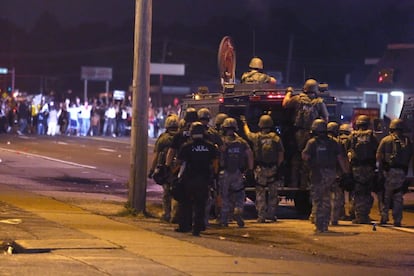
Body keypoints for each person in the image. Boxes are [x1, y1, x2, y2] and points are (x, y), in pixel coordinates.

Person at [302, 119, 350, 233]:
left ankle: (319, 225)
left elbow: (305, 156)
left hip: (316, 173)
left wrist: (309, 165)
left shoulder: (312, 142)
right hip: (330, 173)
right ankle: (325, 224)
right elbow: (340, 159)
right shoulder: (334, 142)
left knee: (318, 200)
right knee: (327, 199)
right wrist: (346, 173)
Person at [282, 78, 329, 191]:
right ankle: (305, 185)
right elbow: (326, 118)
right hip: (312, 135)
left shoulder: (298, 99)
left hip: (298, 134)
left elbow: (285, 104)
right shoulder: (319, 102)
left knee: (296, 159)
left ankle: (293, 184)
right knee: (309, 160)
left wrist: (289, 92)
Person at [176, 122, 220, 236]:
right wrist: (214, 176)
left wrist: (173, 174)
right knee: (200, 204)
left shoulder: (186, 146)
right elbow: (215, 163)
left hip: (188, 179)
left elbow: (179, 163)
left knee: (186, 203)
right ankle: (198, 228)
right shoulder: (210, 146)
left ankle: (185, 226)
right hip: (204, 179)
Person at [242, 114, 284, 223]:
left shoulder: (256, 137)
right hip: (273, 168)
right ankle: (271, 214)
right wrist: (278, 167)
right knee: (273, 193)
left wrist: (244, 123)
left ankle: (261, 216)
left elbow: (247, 134)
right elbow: (281, 154)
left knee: (260, 192)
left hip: (260, 168)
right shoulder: (276, 138)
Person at [376, 119, 413, 227]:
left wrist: (380, 170)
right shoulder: (407, 141)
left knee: (385, 195)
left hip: (388, 172)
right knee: (398, 196)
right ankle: (397, 219)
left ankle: (384, 217)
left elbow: (378, 156)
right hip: (402, 172)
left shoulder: (386, 140)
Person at [219, 117, 254, 228]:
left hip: (224, 173)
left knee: (224, 196)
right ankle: (238, 210)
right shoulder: (242, 142)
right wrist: (250, 169)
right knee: (239, 194)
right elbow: (250, 155)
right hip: (237, 173)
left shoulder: (222, 141)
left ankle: (224, 219)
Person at [149, 114, 180, 222]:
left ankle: (167, 214)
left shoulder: (163, 138)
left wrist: (152, 170)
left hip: (166, 169)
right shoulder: (181, 137)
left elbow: (156, 155)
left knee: (167, 193)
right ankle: (175, 215)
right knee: (177, 192)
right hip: (179, 169)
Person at [347, 115, 378, 224]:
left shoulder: (352, 136)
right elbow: (377, 151)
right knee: (366, 191)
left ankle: (357, 215)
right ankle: (363, 214)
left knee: (357, 191)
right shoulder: (372, 136)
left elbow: (346, 150)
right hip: (369, 167)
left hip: (356, 167)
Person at [327, 121, 346, 225]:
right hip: (334, 173)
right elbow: (341, 158)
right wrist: (345, 172)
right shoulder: (337, 142)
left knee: (320, 196)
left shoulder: (316, 141)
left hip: (319, 173)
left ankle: (316, 217)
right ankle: (333, 219)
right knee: (336, 197)